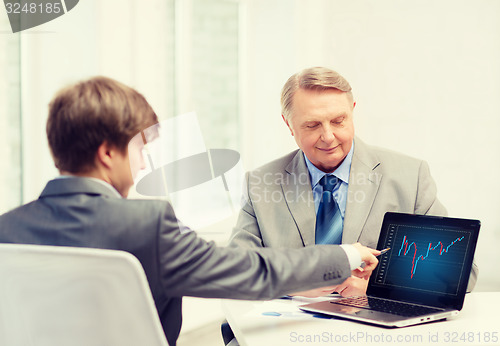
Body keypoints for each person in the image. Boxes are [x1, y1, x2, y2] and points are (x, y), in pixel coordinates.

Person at [0, 76, 380, 346]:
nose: (144, 166)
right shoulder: (146, 225)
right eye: (139, 151)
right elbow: (252, 272)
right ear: (107, 153)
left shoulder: (7, 229)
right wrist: (346, 255)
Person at [229, 67, 478, 297]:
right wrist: (298, 284)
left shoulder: (410, 177)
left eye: (339, 121)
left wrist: (376, 286)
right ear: (288, 124)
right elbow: (235, 273)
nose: (328, 136)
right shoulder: (260, 183)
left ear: (352, 112)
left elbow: (463, 276)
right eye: (313, 125)